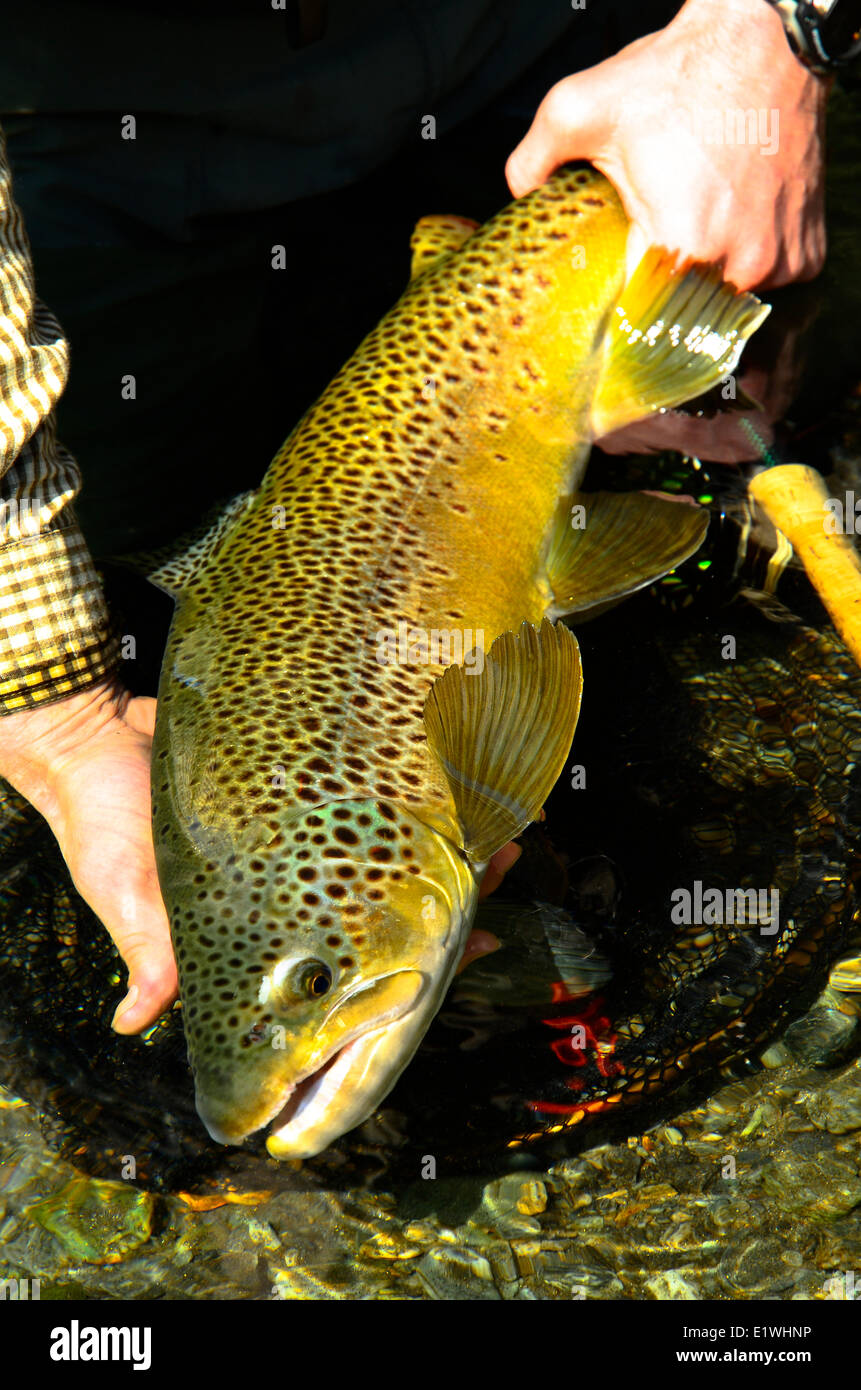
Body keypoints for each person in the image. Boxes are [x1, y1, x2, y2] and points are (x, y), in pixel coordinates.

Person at [0, 0, 836, 1035]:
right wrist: (54, 715)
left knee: (740, 289)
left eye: (314, 985)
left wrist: (774, 35)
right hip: (102, 83)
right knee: (124, 499)